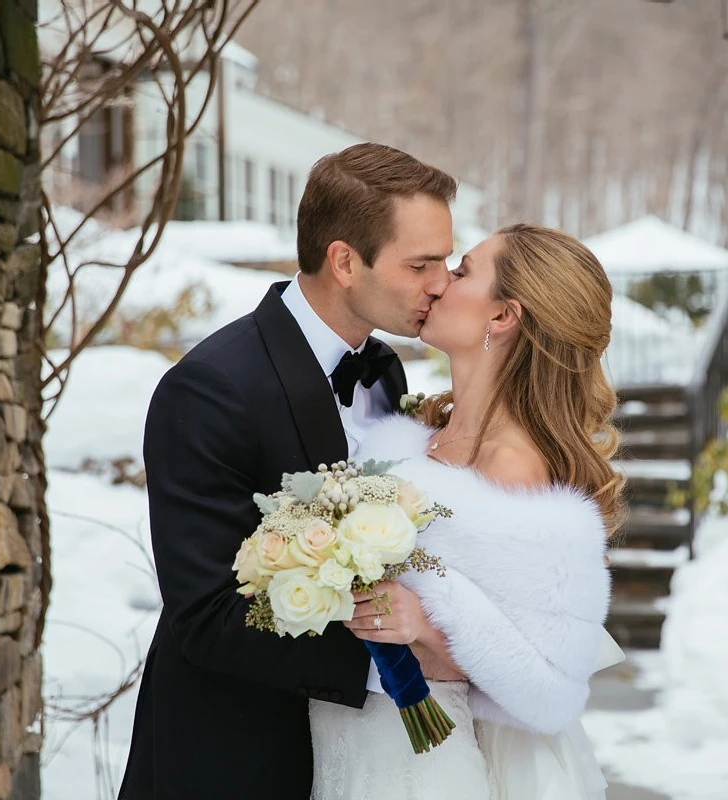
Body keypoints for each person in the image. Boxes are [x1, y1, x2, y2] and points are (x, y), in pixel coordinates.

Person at [118, 142, 462, 799]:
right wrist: (398, 664)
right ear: (343, 261)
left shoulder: (385, 370)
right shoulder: (210, 389)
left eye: (445, 260)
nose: (441, 282)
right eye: (422, 263)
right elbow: (209, 616)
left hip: (360, 761)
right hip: (236, 755)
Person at [309, 224, 624, 799]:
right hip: (351, 745)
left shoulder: (515, 471)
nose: (437, 283)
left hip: (432, 762)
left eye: (461, 272)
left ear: (503, 316)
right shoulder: (419, 434)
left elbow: (546, 684)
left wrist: (427, 622)